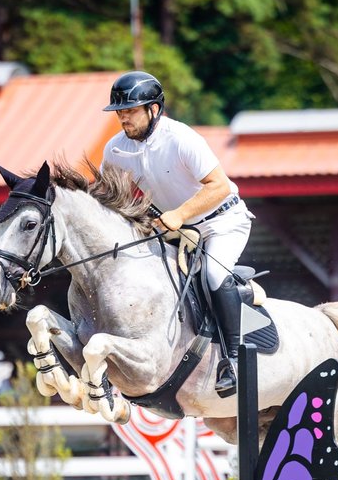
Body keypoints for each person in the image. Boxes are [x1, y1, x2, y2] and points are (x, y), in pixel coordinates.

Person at [100, 70, 254, 397]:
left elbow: (220, 186)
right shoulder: (115, 150)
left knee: (213, 275)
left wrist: (180, 214)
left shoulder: (182, 138)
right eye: (120, 112)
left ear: (153, 109)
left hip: (222, 221)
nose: (122, 119)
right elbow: (108, 199)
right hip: (177, 230)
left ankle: (233, 361)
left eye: (129, 111)